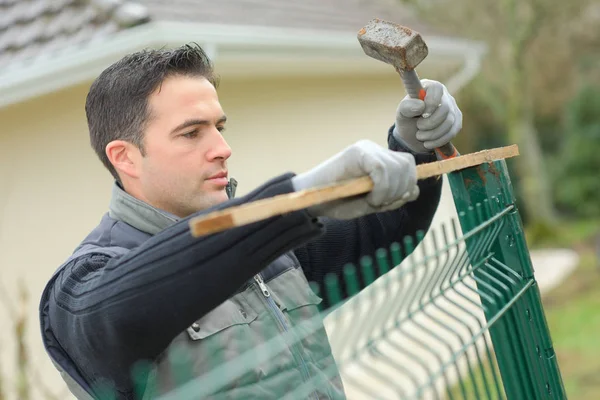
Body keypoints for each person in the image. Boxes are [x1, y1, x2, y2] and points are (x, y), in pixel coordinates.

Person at [39, 43, 462, 400]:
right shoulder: (82, 287)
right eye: (192, 133)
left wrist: (411, 147)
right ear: (125, 157)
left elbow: (388, 232)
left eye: (219, 127)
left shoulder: (267, 246)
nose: (222, 148)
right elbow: (133, 302)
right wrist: (292, 203)